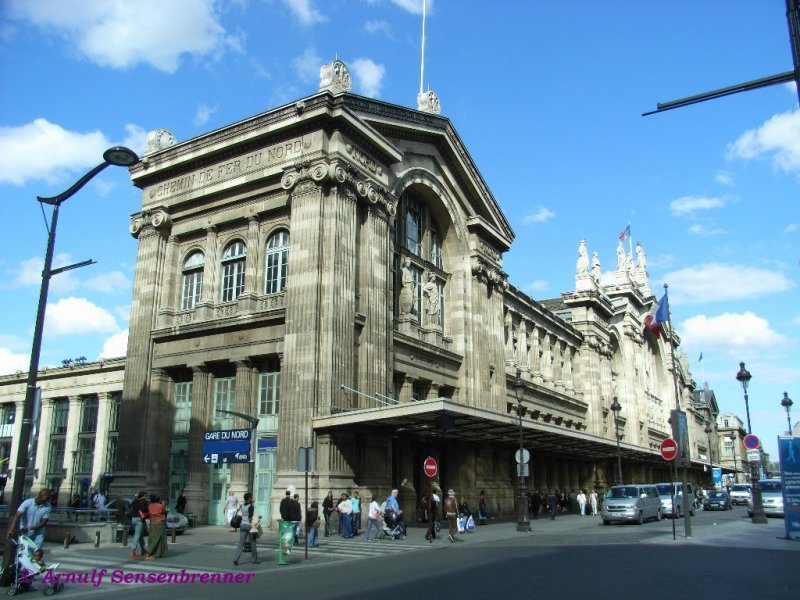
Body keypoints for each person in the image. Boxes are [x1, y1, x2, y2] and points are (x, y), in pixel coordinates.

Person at [233, 492, 259, 565]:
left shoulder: (242, 505)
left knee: (241, 543)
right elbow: (250, 518)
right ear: (249, 498)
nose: (252, 499)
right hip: (248, 525)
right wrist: (257, 519)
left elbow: (241, 514)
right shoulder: (251, 506)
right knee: (253, 542)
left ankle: (236, 559)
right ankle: (254, 559)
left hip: (242, 525)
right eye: (251, 497)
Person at [145, 494, 167, 559]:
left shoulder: (149, 506)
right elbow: (164, 512)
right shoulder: (161, 506)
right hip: (159, 523)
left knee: (152, 538)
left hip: (152, 523)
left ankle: (156, 553)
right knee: (158, 538)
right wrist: (163, 505)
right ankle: (150, 553)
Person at [129, 490, 149, 559]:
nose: (146, 497)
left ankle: (143, 550)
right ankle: (132, 551)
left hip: (133, 519)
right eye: (146, 496)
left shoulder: (134, 501)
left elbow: (130, 507)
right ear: (143, 496)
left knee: (140, 535)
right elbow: (145, 509)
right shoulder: (144, 502)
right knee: (137, 535)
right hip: (139, 520)